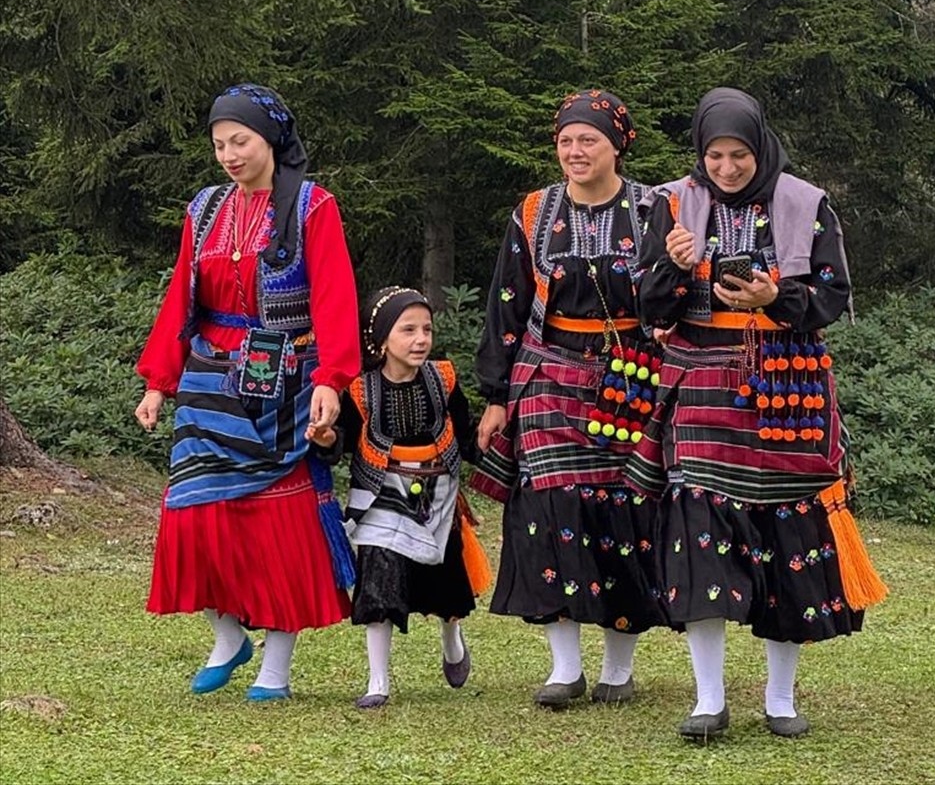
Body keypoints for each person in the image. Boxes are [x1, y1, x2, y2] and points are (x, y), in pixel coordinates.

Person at [632, 86, 886, 739]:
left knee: (787, 540)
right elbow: (647, 309)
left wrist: (777, 294)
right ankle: (707, 700)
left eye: (737, 154)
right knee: (699, 540)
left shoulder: (806, 203)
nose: (724, 168)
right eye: (713, 155)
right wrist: (670, 264)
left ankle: (779, 699)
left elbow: (833, 297)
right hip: (699, 391)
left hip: (785, 391)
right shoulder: (671, 203)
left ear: (758, 147)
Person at [134, 83, 360, 701]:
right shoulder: (203, 208)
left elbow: (335, 298)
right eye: (219, 144)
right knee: (192, 512)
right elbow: (181, 296)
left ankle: (276, 669)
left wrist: (331, 381)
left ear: (271, 141)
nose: (229, 154)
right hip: (208, 377)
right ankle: (229, 634)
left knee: (277, 521)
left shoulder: (313, 206)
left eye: (241, 141)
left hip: (284, 373)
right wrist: (160, 381)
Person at [471, 89, 662, 708]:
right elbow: (507, 302)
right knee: (548, 514)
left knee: (625, 515)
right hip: (548, 373)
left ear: (617, 145)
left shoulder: (654, 209)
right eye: (565, 141)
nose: (575, 152)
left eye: (589, 141)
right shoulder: (532, 212)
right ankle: (563, 667)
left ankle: (617, 668)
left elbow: (670, 300)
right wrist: (497, 394)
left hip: (630, 378)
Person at [308, 286, 490, 709]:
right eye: (408, 330)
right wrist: (326, 436)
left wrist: (494, 449)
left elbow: (465, 435)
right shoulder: (358, 390)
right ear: (381, 338)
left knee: (446, 589)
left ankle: (452, 643)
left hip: (437, 499)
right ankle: (378, 681)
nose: (421, 339)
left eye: (426, 329)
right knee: (378, 584)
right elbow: (344, 442)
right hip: (379, 496)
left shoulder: (444, 379)